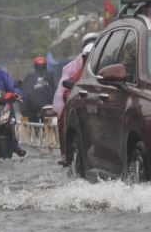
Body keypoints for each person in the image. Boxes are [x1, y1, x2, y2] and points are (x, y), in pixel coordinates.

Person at [54, 32, 99, 161]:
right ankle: (65, 153)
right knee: (63, 117)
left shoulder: (108, 61)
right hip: (83, 104)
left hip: (101, 103)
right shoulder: (75, 68)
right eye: (87, 57)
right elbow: (67, 89)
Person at [19, 56, 57, 123]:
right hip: (49, 108)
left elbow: (24, 93)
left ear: (35, 66)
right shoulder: (51, 75)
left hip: (33, 110)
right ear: (46, 65)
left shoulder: (29, 77)